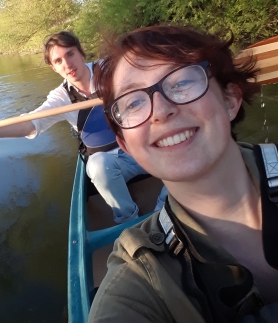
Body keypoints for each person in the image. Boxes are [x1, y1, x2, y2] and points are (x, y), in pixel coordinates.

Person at [88, 26, 278, 322]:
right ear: (126, 145)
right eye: (134, 102)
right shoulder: (139, 276)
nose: (161, 111)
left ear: (230, 99)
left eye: (181, 82)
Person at [0, 31, 166, 224]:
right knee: (97, 165)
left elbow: (147, 70)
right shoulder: (61, 97)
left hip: (143, 149)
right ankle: (129, 219)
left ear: (81, 53)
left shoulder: (112, 70)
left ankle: (165, 205)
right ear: (53, 67)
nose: (67, 64)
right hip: (113, 165)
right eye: (59, 61)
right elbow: (28, 125)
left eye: (70, 54)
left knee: (187, 148)